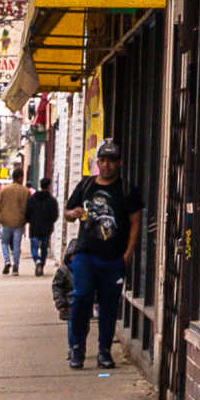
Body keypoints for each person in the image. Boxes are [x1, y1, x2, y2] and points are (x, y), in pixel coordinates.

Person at [59, 142, 140, 370]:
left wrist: (128, 253)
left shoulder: (126, 190)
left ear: (119, 163)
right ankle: (77, 349)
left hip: (114, 257)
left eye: (111, 161)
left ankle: (104, 351)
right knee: (82, 297)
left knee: (109, 305)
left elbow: (135, 222)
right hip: (86, 254)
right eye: (103, 161)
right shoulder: (86, 185)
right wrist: (72, 213)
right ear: (98, 163)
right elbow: (67, 213)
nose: (106, 165)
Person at [19, 176, 57, 274]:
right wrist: (51, 222)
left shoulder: (32, 199)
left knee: (34, 247)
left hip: (34, 226)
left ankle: (37, 260)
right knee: (44, 248)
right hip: (46, 227)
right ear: (49, 186)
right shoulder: (51, 200)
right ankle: (42, 263)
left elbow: (27, 212)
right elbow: (55, 214)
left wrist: (28, 220)